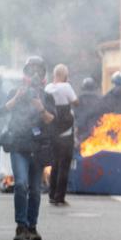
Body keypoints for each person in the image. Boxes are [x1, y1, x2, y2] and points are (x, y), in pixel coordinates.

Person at [0, 57, 56, 240]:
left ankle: (32, 226)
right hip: (19, 145)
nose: (35, 74)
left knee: (35, 190)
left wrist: (40, 108)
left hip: (38, 148)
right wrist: (16, 98)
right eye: (31, 70)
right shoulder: (15, 92)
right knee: (20, 184)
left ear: (43, 74)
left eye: (38, 70)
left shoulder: (46, 96)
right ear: (25, 73)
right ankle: (21, 226)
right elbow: (0, 112)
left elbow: (51, 120)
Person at [45, 64, 78, 206]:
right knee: (64, 165)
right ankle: (60, 197)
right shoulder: (66, 87)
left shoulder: (47, 88)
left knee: (54, 164)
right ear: (65, 75)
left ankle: (52, 195)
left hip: (52, 132)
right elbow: (76, 102)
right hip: (66, 133)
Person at [75, 77, 103, 143]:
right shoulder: (100, 99)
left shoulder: (78, 99)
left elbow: (75, 113)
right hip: (96, 128)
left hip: (82, 128)